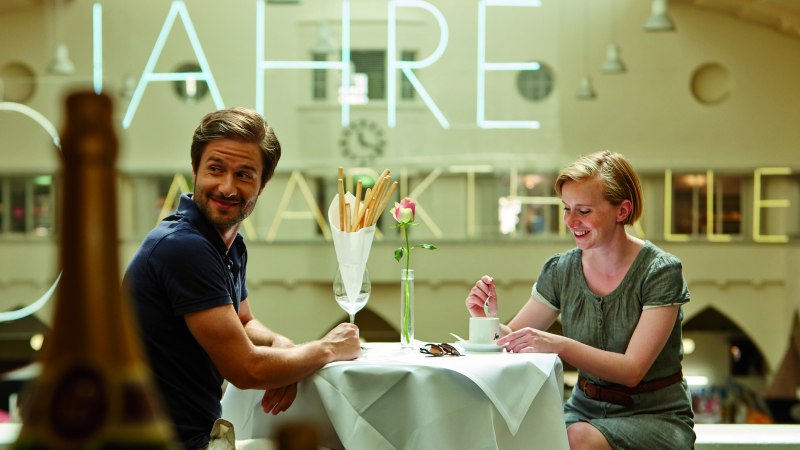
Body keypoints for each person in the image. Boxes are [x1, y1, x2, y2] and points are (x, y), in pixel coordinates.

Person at [123, 107, 361, 450]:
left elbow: (243, 320)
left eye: (244, 175)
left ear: (262, 185)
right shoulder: (183, 247)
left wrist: (282, 346)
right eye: (215, 169)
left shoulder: (226, 242)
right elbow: (246, 369)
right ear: (195, 169)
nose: (227, 187)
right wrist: (326, 349)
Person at [465, 151, 695, 450]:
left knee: (576, 439)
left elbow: (632, 370)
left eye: (583, 211)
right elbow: (512, 341)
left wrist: (558, 344)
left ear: (622, 211)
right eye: (566, 209)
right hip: (582, 411)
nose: (571, 221)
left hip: (655, 416)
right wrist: (485, 317)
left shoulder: (660, 271)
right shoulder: (560, 269)